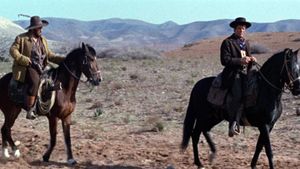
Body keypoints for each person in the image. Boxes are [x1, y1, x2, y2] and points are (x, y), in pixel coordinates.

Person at [10, 16, 65, 120]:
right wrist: (24, 59)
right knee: (35, 82)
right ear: (33, 28)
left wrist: (64, 60)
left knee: (54, 78)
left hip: (42, 66)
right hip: (27, 66)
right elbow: (13, 51)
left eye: (41, 27)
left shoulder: (43, 40)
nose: (41, 29)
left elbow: (49, 55)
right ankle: (31, 109)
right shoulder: (21, 38)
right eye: (39, 28)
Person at [220, 17, 257, 137]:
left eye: (243, 28)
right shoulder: (227, 42)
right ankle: (233, 124)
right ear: (235, 29)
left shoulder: (246, 42)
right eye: (239, 28)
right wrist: (240, 60)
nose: (241, 30)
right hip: (232, 74)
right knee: (237, 95)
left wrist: (252, 60)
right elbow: (224, 60)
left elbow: (248, 57)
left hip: (245, 73)